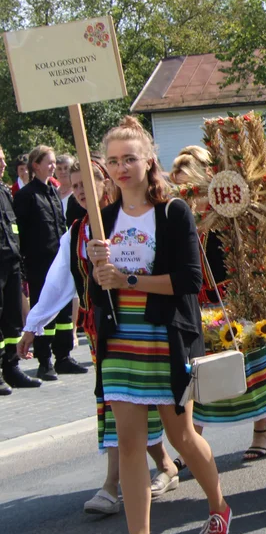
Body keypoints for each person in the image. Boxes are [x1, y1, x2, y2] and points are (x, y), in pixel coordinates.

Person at [84, 116, 231, 534]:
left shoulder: (172, 213)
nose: (121, 167)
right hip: (120, 340)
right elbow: (97, 289)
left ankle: (219, 507)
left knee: (180, 436)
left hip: (164, 336)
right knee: (128, 443)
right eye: (113, 161)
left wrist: (127, 279)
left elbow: (189, 281)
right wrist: (95, 267)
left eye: (130, 158)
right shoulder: (103, 221)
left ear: (149, 160)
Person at [17, 159, 179, 513]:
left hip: (141, 325)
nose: (79, 191)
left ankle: (123, 480)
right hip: (101, 332)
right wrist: (32, 326)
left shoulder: (128, 221)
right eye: (73, 185)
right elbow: (58, 283)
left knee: (138, 403)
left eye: (86, 183)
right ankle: (149, 470)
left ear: (106, 184)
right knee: (115, 403)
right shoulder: (75, 232)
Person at [170, 147, 266, 463]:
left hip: (238, 299)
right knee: (198, 376)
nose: (187, 193)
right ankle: (192, 441)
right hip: (199, 306)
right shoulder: (179, 221)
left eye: (191, 185)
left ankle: (262, 431)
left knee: (250, 369)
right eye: (180, 186)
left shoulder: (229, 213)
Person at [13, 145, 82, 379]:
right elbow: (21, 232)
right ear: (36, 165)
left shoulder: (52, 191)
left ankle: (63, 356)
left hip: (58, 261)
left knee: (62, 312)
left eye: (54, 162)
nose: (53, 167)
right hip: (38, 263)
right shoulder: (25, 196)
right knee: (44, 310)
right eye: (49, 163)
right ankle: (45, 362)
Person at [0, 144, 37, 394]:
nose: (4, 164)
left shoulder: (4, 192)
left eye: (3, 159)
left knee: (12, 319)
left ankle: (11, 368)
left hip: (11, 262)